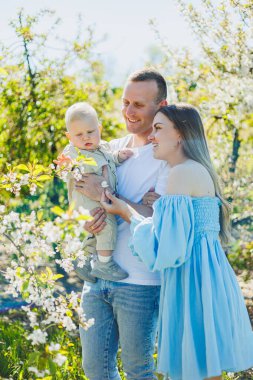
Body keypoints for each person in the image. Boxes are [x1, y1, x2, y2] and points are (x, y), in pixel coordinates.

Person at [101, 103, 253, 380]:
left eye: (158, 129)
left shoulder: (181, 172)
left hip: (193, 280)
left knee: (200, 371)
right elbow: (182, 229)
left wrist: (125, 211)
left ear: (181, 133)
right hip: (206, 277)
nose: (151, 137)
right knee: (207, 370)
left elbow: (166, 248)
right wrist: (162, 210)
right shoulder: (193, 170)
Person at [75, 69, 168, 379]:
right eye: (126, 102)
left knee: (138, 370)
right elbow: (85, 195)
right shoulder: (109, 149)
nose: (129, 112)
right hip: (97, 275)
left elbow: (156, 218)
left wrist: (106, 196)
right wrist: (91, 218)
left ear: (162, 106)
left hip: (140, 281)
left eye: (139, 105)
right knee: (95, 368)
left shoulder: (168, 157)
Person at [55, 102, 133, 282]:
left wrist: (119, 157)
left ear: (99, 128)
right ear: (69, 137)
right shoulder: (73, 152)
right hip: (87, 200)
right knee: (107, 226)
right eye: (79, 134)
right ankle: (104, 264)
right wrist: (66, 167)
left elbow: (110, 160)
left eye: (90, 132)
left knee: (96, 232)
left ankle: (83, 262)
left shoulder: (104, 147)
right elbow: (66, 168)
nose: (85, 138)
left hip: (100, 200)